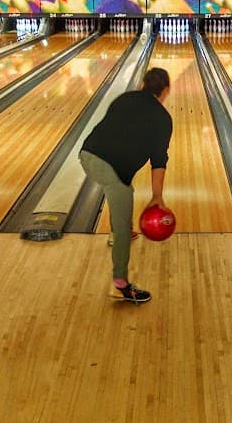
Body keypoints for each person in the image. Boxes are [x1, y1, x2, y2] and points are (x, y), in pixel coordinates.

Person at [79, 68, 173, 303]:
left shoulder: (124, 98)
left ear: (143, 83)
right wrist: (157, 197)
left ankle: (118, 231)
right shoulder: (163, 119)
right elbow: (158, 160)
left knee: (123, 189)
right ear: (165, 91)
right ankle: (120, 283)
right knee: (122, 227)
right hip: (110, 168)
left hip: (87, 154)